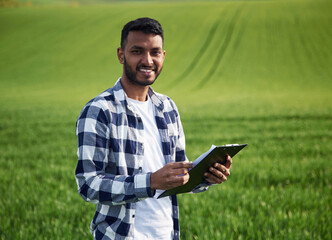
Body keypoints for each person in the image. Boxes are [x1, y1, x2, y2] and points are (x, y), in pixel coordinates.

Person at [75, 17, 232, 240]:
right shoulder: (99, 111)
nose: (147, 60)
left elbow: (178, 175)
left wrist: (207, 175)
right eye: (137, 51)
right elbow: (89, 185)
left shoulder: (167, 108)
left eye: (155, 52)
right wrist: (150, 182)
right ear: (121, 55)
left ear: (163, 56)